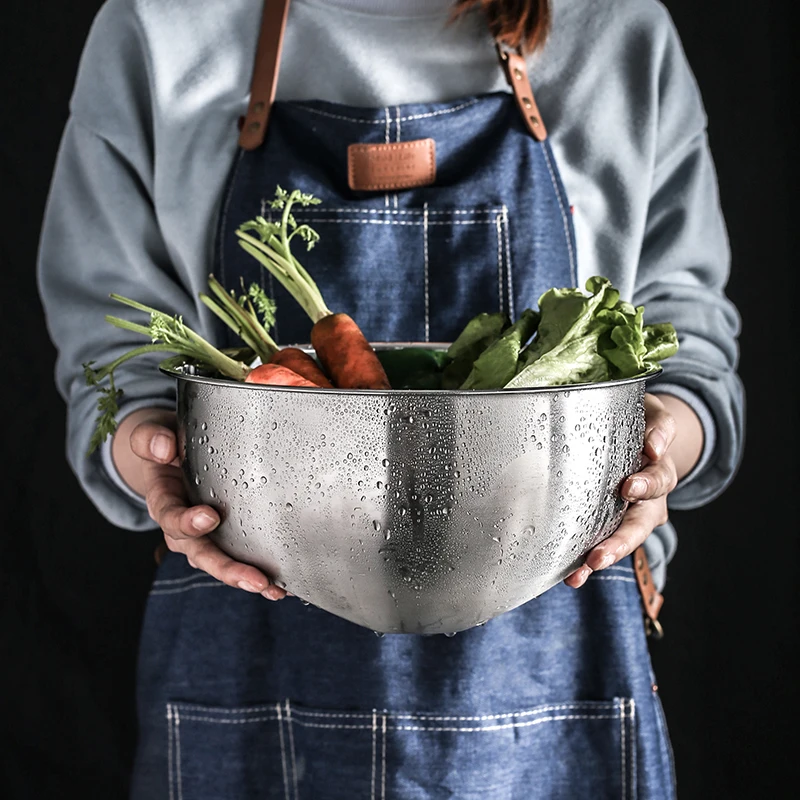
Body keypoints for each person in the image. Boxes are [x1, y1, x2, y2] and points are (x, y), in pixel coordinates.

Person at [36, 0, 744, 797]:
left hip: (558, 632)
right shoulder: (159, 23)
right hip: (250, 627)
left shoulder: (616, 28)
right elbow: (114, 351)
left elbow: (686, 343)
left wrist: (660, 448)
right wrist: (149, 451)